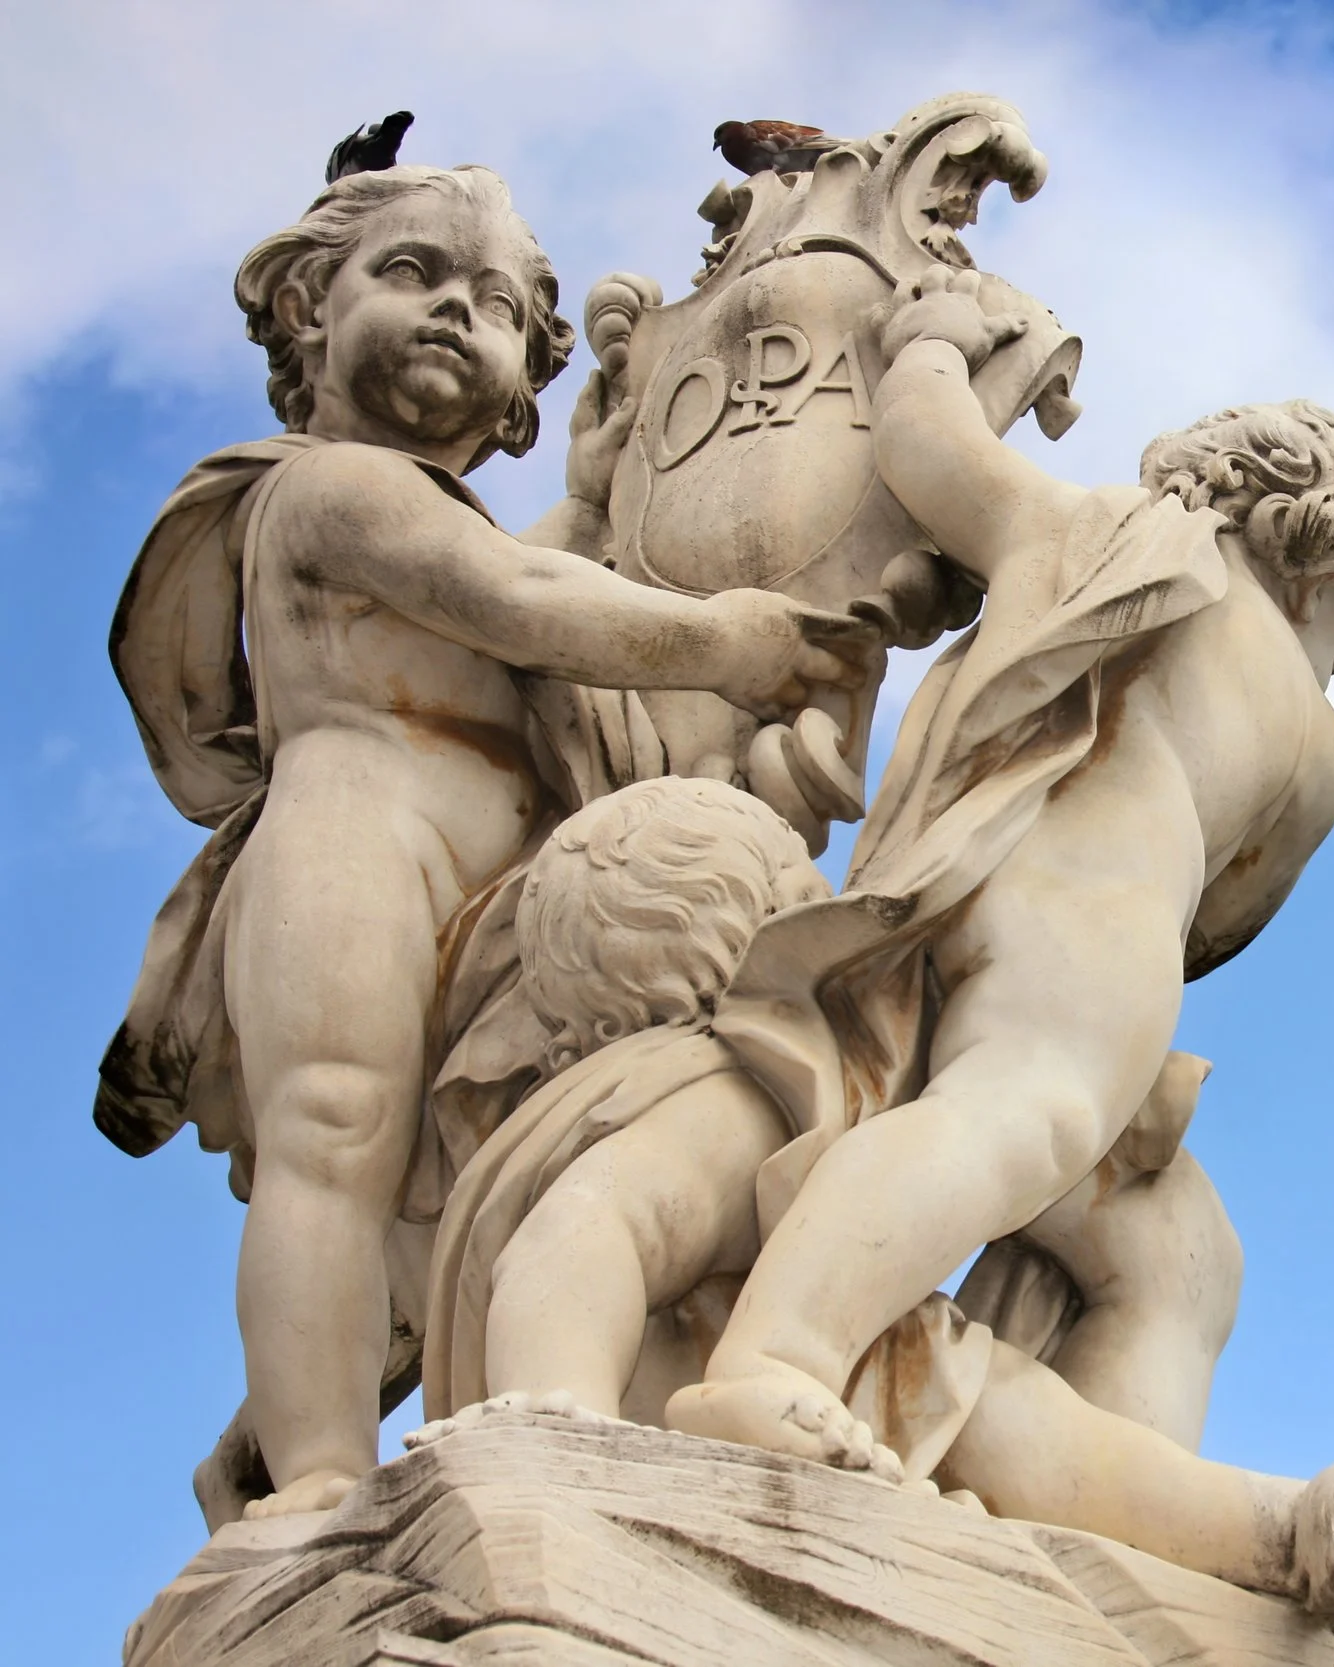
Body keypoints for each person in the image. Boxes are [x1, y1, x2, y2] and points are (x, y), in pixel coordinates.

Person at [98, 164, 864, 1518]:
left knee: (460, 1172)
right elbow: (511, 598)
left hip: (506, 878)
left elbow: (522, 571)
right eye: (414, 275)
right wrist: (726, 641)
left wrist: (585, 496)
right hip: (354, 841)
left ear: (522, 374)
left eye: (497, 304)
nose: (458, 309)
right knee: (333, 1133)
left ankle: (284, 1449)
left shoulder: (438, 511)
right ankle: (317, 1487)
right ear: (304, 306)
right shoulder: (326, 490)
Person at [658, 269, 1334, 1480]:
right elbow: (1226, 913)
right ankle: (779, 1355)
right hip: (1108, 919)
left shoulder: (1100, 542)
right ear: (1323, 541)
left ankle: (1110, 1508)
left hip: (978, 869)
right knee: (1024, 1114)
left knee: (1172, 1242)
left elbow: (933, 448)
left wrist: (937, 340)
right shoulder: (1314, 737)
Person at [420, 777, 1334, 1626]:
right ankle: (1263, 1528)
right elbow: (584, 1229)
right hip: (682, 1407)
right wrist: (558, 1413)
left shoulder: (758, 1104)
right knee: (1019, 1418)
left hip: (825, 1389)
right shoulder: (717, 1095)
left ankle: (1273, 1530)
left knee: (1011, 1408)